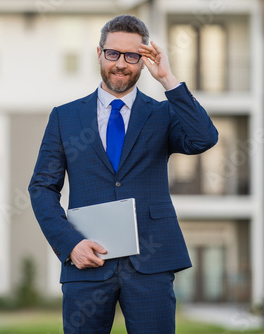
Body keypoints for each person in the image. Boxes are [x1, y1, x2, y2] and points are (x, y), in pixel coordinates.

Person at [28, 14, 218, 334]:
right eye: (113, 53)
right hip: (87, 261)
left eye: (132, 56)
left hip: (151, 261)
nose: (121, 63)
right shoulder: (65, 117)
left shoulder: (163, 113)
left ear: (143, 60)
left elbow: (204, 138)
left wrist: (168, 79)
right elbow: (42, 188)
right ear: (99, 53)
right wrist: (70, 243)